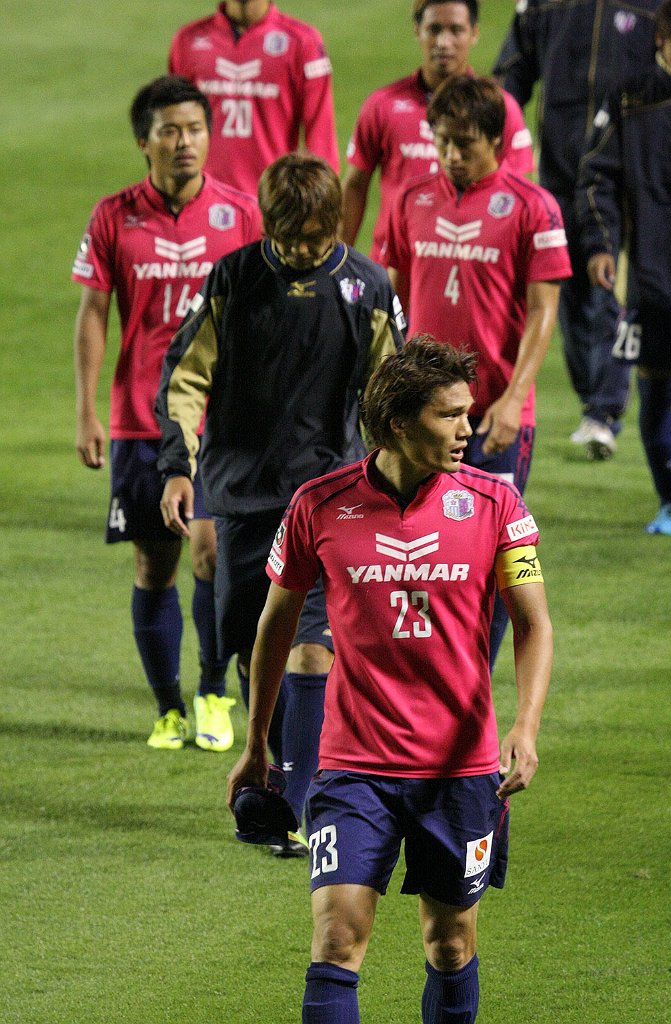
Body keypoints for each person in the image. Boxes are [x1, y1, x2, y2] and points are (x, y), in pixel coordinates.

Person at [227, 336, 553, 1024]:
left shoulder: (496, 504)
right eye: (449, 415)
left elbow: (532, 624)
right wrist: (256, 745)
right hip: (354, 766)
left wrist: (525, 727)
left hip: (460, 769)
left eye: (466, 412)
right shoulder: (319, 505)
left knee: (450, 942)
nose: (466, 428)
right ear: (399, 423)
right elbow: (275, 628)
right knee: (336, 937)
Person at [155, 154, 405, 850]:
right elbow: (184, 378)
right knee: (253, 653)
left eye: (315, 237)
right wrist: (178, 468)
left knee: (311, 651)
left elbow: (392, 391)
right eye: (288, 238)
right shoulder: (234, 278)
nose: (300, 250)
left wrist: (396, 481)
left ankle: (299, 807)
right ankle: (272, 774)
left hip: (329, 497)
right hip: (241, 494)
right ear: (268, 225)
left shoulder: (367, 286)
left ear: (336, 224)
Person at [72, 75, 262, 752]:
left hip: (219, 422)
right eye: (170, 130)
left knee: (210, 552)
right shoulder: (112, 216)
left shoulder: (241, 215)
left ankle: (212, 690)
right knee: (154, 564)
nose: (185, 142)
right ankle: (167, 708)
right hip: (139, 420)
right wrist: (87, 410)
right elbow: (94, 313)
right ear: (143, 141)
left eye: (195, 129)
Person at [382, 75, 570, 665]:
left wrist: (514, 399)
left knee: (494, 562)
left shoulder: (533, 207)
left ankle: (473, 684)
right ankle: (423, 677)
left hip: (494, 419)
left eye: (463, 143)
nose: (451, 155)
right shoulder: (412, 198)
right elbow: (392, 298)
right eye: (441, 141)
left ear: (496, 140)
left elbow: (543, 311)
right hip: (421, 417)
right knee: (414, 552)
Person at [494, 0, 660, 459]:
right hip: (560, 173)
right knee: (565, 291)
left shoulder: (654, 6)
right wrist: (493, 132)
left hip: (623, 176)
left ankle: (605, 410)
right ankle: (594, 400)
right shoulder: (545, 4)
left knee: (607, 288)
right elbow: (512, 73)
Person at [576, 0, 671, 535]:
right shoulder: (630, 96)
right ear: (662, 38)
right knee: (656, 389)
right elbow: (596, 177)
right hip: (654, 278)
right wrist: (601, 244)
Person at [341, 0, 534, 262]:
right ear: (417, 30)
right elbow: (355, 186)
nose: (443, 42)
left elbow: (520, 194)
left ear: (474, 33)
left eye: (456, 30)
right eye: (434, 29)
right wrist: (338, 264)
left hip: (468, 268)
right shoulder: (382, 105)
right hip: (392, 267)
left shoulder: (501, 109)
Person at [168, 0, 339, 197]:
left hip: (271, 203)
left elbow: (321, 144)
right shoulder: (187, 41)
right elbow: (172, 128)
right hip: (203, 203)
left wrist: (319, 205)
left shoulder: (303, 42)